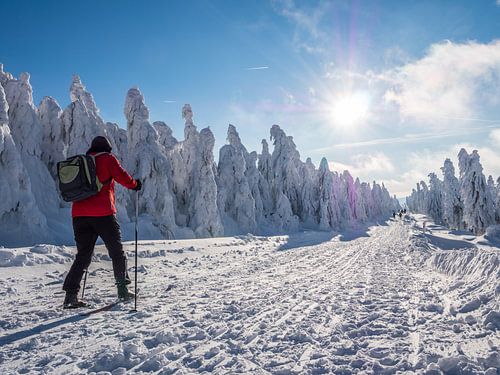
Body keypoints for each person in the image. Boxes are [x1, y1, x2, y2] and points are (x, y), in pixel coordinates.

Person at [63, 136, 142, 309]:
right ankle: (122, 290)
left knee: (83, 255)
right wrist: (135, 184)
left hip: (79, 216)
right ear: (107, 148)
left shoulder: (82, 162)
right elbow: (123, 177)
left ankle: (70, 296)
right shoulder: (107, 159)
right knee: (116, 251)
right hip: (103, 214)